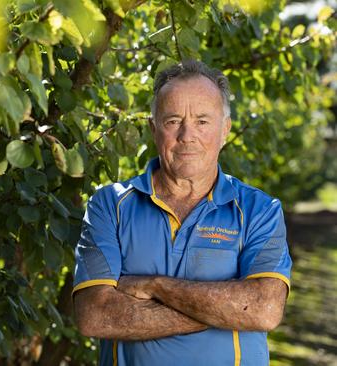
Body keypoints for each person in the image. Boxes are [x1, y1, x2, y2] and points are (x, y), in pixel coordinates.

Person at [72, 60, 292, 366]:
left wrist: (154, 286)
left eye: (203, 121)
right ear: (153, 129)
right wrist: (227, 307)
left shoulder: (259, 211)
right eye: (173, 120)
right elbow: (95, 316)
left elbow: (264, 309)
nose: (187, 135)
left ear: (225, 130)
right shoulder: (110, 205)